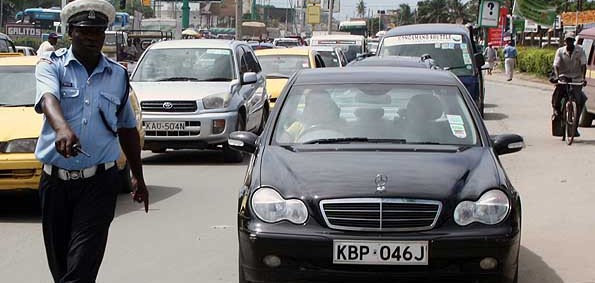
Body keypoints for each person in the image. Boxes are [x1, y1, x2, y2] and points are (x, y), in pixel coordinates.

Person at [34, 1, 149, 282]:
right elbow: (48, 99)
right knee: (61, 266)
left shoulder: (118, 75)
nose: (92, 37)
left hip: (99, 184)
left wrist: (138, 176)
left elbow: (126, 128)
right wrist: (62, 128)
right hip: (55, 183)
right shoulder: (51, 66)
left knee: (82, 265)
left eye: (98, 31)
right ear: (70, 31)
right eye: (85, 31)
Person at [552, 31, 588, 136]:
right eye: (568, 40)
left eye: (571, 40)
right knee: (557, 97)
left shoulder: (580, 51)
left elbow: (583, 65)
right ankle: (558, 113)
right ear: (565, 41)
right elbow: (556, 65)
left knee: (581, 100)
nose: (569, 43)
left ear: (574, 41)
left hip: (576, 79)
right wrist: (557, 76)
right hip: (563, 77)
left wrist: (583, 78)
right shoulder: (560, 51)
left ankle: (574, 126)